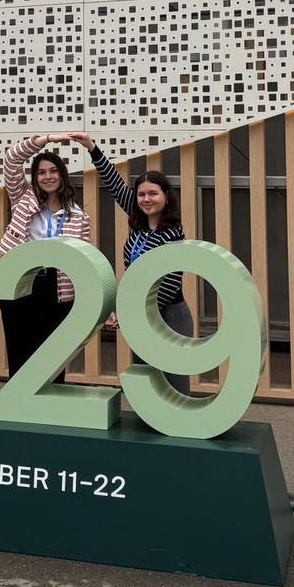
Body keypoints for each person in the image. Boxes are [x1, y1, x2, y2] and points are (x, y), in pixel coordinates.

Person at [70, 132, 194, 395]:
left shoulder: (171, 232)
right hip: (141, 313)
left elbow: (168, 285)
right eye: (141, 195)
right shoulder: (140, 225)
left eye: (153, 194)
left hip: (168, 314)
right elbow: (114, 183)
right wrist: (92, 147)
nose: (146, 199)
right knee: (147, 378)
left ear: (167, 197)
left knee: (173, 382)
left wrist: (129, 312)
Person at [0, 134, 92, 375]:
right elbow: (11, 159)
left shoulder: (78, 216)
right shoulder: (22, 198)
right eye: (41, 172)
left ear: (62, 175)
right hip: (21, 282)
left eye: (53, 171)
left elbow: (85, 261)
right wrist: (47, 139)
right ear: (35, 177)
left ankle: (51, 408)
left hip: (56, 288)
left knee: (53, 358)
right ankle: (20, 406)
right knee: (20, 353)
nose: (48, 177)